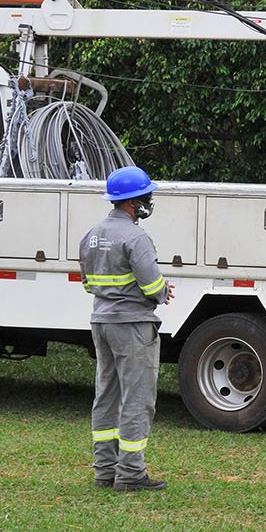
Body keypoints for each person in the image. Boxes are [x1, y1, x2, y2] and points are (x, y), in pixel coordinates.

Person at [82, 165, 173, 492]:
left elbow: (88, 284)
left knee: (106, 395)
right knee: (137, 397)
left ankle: (104, 470)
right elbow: (151, 285)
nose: (149, 202)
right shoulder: (136, 237)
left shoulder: (91, 235)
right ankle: (131, 473)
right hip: (132, 325)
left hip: (101, 321)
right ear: (134, 202)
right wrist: (163, 291)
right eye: (147, 196)